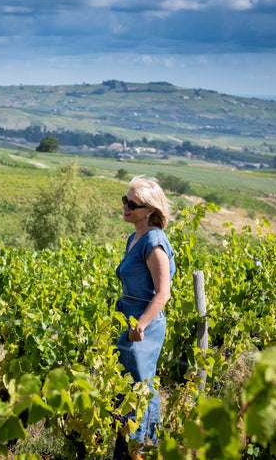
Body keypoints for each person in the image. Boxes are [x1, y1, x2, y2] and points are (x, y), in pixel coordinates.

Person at [113, 176, 175, 460]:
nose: (125, 206)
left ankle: (140, 446)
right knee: (129, 384)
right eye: (125, 200)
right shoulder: (133, 237)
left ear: (150, 209)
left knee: (139, 385)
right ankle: (132, 447)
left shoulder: (154, 240)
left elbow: (163, 293)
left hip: (144, 324)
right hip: (129, 320)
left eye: (132, 203)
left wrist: (141, 325)